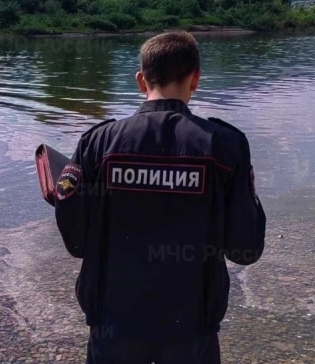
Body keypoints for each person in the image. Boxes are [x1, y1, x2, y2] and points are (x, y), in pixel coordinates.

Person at [53, 32, 266, 364]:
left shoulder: (98, 143)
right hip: (191, 328)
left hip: (114, 324)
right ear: (195, 79)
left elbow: (77, 242)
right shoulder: (225, 146)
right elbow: (246, 247)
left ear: (141, 80)